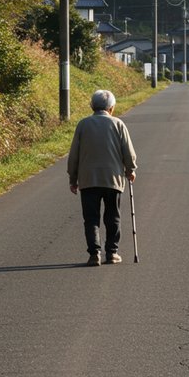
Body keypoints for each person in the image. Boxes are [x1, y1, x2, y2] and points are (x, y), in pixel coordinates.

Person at [68, 89, 137, 266]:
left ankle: (94, 254)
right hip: (112, 179)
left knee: (91, 218)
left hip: (88, 179)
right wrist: (131, 170)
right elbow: (128, 152)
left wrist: (73, 178)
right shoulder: (118, 124)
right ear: (112, 108)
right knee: (113, 215)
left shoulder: (83, 125)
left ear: (92, 106)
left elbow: (74, 154)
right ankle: (112, 253)